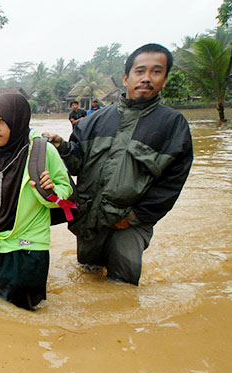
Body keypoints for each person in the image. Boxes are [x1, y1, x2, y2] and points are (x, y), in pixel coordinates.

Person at [45, 43, 193, 285]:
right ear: (126, 78)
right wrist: (62, 146)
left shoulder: (172, 125)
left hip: (131, 224)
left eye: (156, 72)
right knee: (87, 275)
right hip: (89, 218)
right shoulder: (94, 121)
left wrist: (134, 217)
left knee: (122, 287)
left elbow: (172, 183)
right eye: (140, 71)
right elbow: (76, 165)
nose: (146, 78)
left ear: (164, 79)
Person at [0, 93, 73, 310]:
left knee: (29, 309)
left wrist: (51, 192)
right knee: (1, 302)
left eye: (2, 121)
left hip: (31, 243)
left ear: (18, 120)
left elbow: (66, 191)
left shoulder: (43, 151)